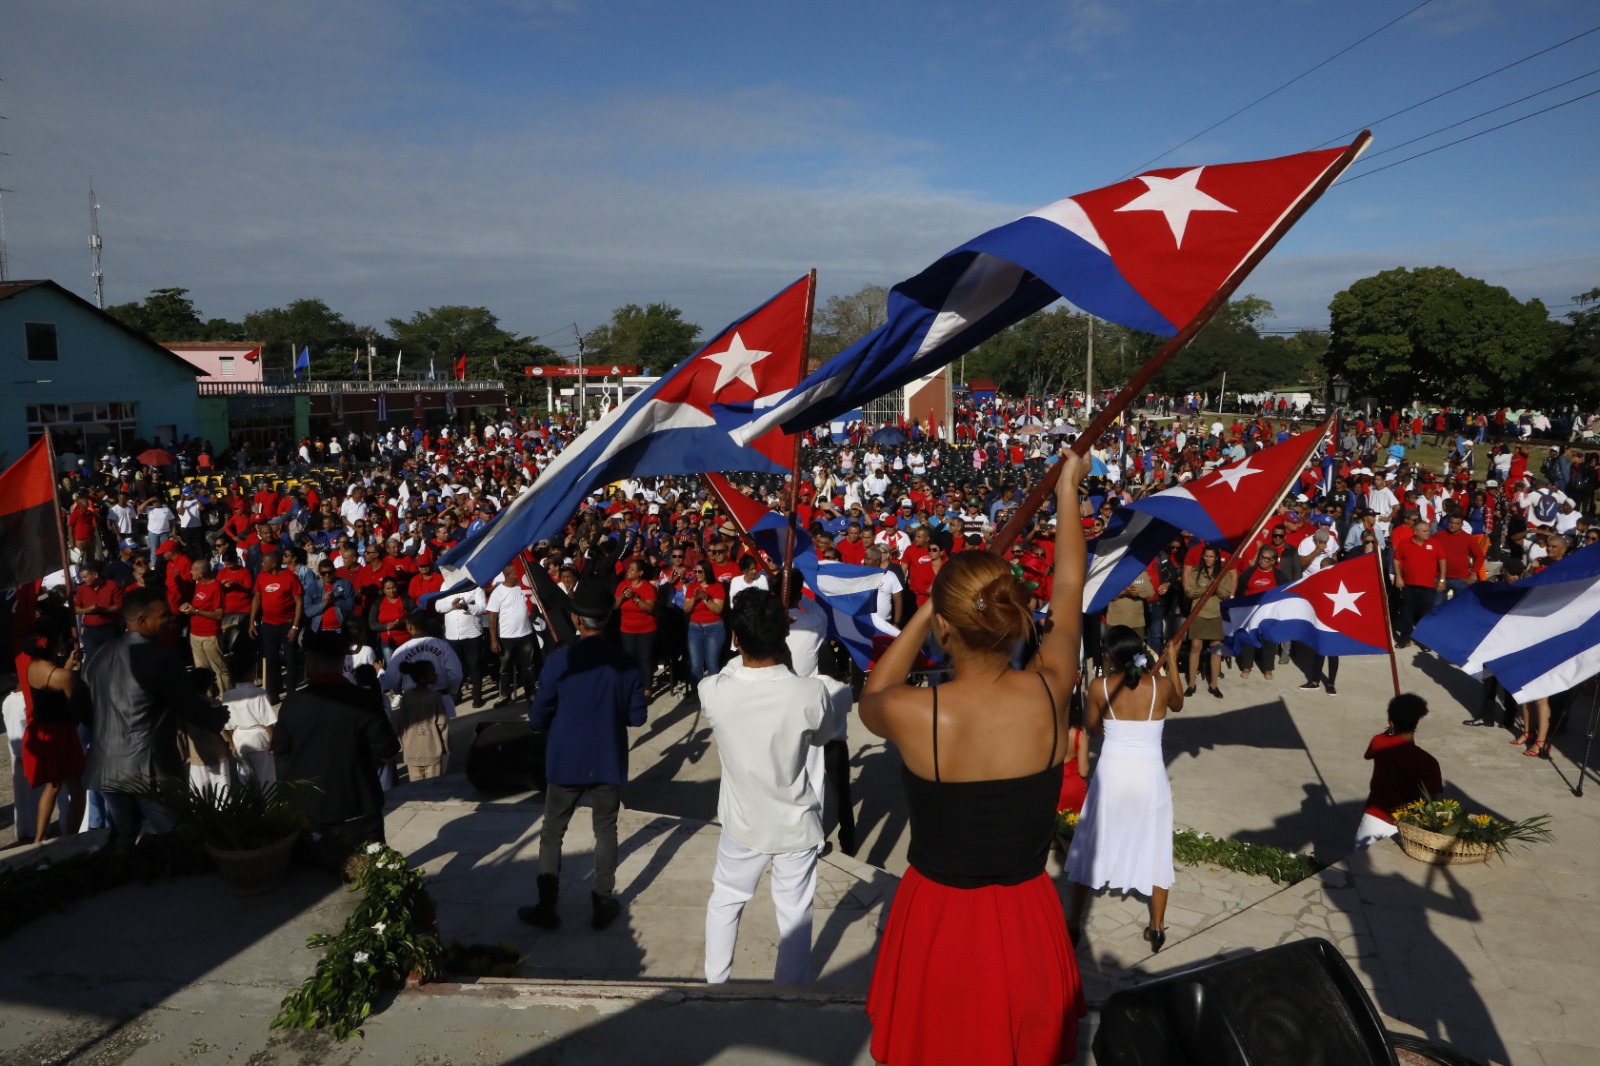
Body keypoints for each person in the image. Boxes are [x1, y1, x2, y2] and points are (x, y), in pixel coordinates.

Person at [860, 452, 1088, 1064]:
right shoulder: (1051, 686)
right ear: (1014, 621)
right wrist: (1067, 488)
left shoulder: (915, 712)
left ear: (947, 628)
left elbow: (873, 695)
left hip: (938, 916)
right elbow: (1068, 586)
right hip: (1026, 909)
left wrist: (927, 610)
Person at [701, 587, 837, 985]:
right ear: (784, 636)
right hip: (795, 822)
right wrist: (787, 664)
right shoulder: (810, 692)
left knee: (726, 900)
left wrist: (756, 640)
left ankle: (716, 985)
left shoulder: (714, 691)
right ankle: (789, 996)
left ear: (736, 638)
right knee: (795, 913)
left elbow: (727, 671)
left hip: (742, 823)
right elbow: (822, 735)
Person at [520, 582, 648, 932]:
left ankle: (548, 906)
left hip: (566, 758)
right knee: (605, 829)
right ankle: (602, 901)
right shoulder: (626, 663)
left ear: (576, 618)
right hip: (607, 756)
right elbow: (637, 717)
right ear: (608, 618)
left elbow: (537, 715)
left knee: (552, 831)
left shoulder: (560, 660)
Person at [1066, 626, 1184, 952]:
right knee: (1157, 843)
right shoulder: (1160, 686)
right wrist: (1173, 662)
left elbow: (1092, 729)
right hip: (1150, 776)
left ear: (1109, 655)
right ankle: (1157, 927)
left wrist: (1088, 701)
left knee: (1091, 842)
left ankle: (1074, 922)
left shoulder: (1099, 686)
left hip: (1113, 773)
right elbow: (1178, 703)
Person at [82, 587, 230, 846]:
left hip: (105, 764)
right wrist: (218, 718)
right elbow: (188, 705)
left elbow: (83, 709)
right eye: (165, 615)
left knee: (124, 837)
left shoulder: (96, 655)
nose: (172, 619)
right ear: (142, 621)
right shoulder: (161, 658)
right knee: (178, 835)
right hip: (148, 769)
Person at [274, 630, 400, 869]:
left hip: (308, 809)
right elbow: (388, 747)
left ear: (309, 663)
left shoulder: (292, 703)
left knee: (315, 885)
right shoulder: (362, 700)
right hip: (358, 804)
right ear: (343, 662)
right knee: (373, 875)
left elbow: (280, 751)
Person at [22, 627, 87, 844]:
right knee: (77, 789)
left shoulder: (31, 668)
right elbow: (75, 705)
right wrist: (73, 673)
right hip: (62, 735)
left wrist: (67, 666)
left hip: (43, 732)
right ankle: (71, 838)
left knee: (52, 785)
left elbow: (54, 682)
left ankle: (39, 838)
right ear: (53, 646)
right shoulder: (63, 675)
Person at [1355, 694, 1442, 848]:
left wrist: (1390, 731)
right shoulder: (1429, 762)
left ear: (1391, 722)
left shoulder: (1379, 742)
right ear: (1416, 722)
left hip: (1374, 818)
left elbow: (1368, 754)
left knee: (1357, 866)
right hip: (1409, 826)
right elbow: (1430, 800)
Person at [1182, 545, 1233, 698]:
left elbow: (1226, 594)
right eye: (1206, 556)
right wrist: (1204, 590)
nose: (1208, 559)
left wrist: (1216, 589)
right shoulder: (1196, 572)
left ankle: (1214, 685)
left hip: (1215, 614)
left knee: (1216, 650)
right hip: (1198, 613)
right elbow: (1189, 592)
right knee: (1195, 647)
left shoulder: (1223, 573)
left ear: (1216, 557)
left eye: (1211, 556)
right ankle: (1191, 684)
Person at [394, 659, 450, 780]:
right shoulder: (435, 697)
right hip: (432, 749)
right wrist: (446, 747)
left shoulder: (407, 696)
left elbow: (401, 723)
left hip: (412, 751)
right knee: (434, 788)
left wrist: (402, 745)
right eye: (433, 673)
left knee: (416, 791)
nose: (436, 675)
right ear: (423, 677)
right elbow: (442, 724)